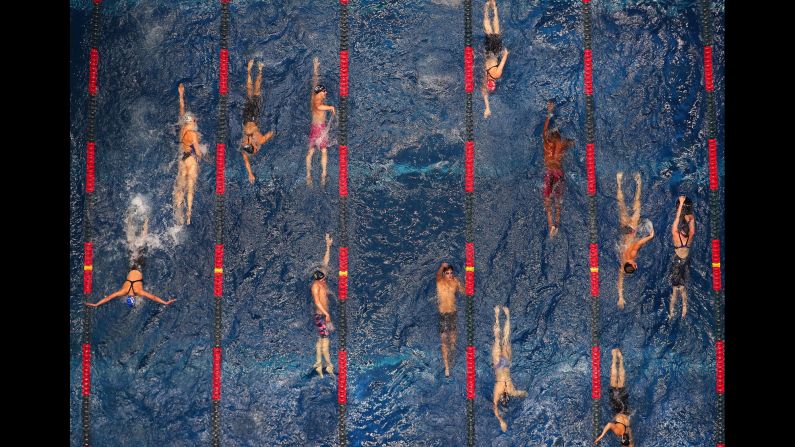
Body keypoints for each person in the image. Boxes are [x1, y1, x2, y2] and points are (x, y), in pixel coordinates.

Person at [86, 217, 176, 308]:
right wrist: (96, 304)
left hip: (139, 266)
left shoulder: (138, 291)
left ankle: (146, 222)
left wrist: (165, 302)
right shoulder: (123, 291)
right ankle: (129, 221)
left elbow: (153, 297)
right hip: (131, 266)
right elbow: (109, 297)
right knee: (131, 245)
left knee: (142, 243)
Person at [616, 172, 654, 309]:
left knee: (637, 207)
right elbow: (620, 279)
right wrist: (620, 296)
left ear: (631, 264)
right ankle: (619, 181)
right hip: (624, 232)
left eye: (634, 265)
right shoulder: (623, 264)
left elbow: (638, 243)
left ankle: (638, 183)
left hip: (631, 230)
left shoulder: (631, 256)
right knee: (622, 205)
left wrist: (650, 236)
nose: (635, 265)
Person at [492, 305, 527, 432]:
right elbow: (522, 393)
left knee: (497, 339)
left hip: (498, 364)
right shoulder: (512, 391)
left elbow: (494, 406)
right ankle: (507, 315)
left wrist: (501, 420)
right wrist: (526, 395)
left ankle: (496, 315)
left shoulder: (498, 391)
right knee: (506, 339)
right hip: (505, 364)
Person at [173, 83, 205, 226]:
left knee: (180, 187)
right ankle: (189, 214)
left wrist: (181, 95)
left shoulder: (182, 128)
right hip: (191, 160)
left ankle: (178, 212)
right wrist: (202, 154)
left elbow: (181, 109)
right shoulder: (193, 134)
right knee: (190, 187)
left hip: (182, 159)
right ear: (193, 121)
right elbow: (198, 151)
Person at [542, 101, 574, 238]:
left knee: (547, 199)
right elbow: (573, 142)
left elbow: (544, 131)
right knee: (558, 199)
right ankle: (558, 222)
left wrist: (549, 113)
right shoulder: (563, 143)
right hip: (559, 172)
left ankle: (551, 226)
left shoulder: (547, 143)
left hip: (550, 172)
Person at [240, 59, 275, 184]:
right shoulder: (244, 146)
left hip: (254, 117)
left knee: (256, 92)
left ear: (253, 146)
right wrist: (250, 174)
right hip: (246, 118)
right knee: (249, 94)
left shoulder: (260, 141)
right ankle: (249, 70)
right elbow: (246, 161)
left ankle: (260, 69)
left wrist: (272, 134)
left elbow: (270, 133)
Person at [595, 348, 634, 446]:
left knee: (621, 382)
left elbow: (631, 444)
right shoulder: (618, 433)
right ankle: (614, 356)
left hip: (624, 407)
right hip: (617, 406)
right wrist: (601, 436)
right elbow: (609, 424)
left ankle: (620, 358)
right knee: (613, 380)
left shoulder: (628, 429)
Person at [307, 57, 336, 187]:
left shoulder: (314, 96)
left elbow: (315, 82)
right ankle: (323, 173)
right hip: (320, 129)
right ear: (320, 93)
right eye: (324, 91)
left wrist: (315, 68)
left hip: (314, 128)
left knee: (311, 151)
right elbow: (318, 107)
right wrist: (330, 108)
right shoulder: (318, 103)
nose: (326, 93)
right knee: (324, 151)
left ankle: (308, 174)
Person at [311, 233, 335, 377]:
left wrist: (328, 246)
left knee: (322, 339)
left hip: (324, 315)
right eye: (323, 279)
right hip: (320, 316)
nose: (325, 280)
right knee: (325, 340)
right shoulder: (315, 286)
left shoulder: (321, 279)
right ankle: (329, 366)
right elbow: (317, 302)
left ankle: (319, 363)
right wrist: (326, 314)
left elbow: (325, 262)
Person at [481, 0, 509, 118]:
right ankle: (487, 8)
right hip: (488, 51)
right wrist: (487, 108)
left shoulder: (497, 74)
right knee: (488, 31)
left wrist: (506, 53)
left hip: (495, 51)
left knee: (496, 32)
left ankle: (495, 9)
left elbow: (505, 57)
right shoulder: (485, 77)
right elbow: (484, 94)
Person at [436, 262, 464, 377]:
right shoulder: (440, 282)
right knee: (443, 340)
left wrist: (467, 286)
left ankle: (452, 355)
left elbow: (463, 291)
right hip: (443, 314)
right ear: (443, 274)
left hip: (453, 313)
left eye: (451, 273)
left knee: (453, 341)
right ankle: (447, 367)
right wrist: (442, 266)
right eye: (447, 273)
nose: (450, 275)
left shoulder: (455, 282)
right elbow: (437, 275)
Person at [669, 196, 695, 319]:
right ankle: (684, 309)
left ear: (680, 230)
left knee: (675, 289)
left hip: (677, 262)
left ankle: (671, 312)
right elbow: (692, 226)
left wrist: (681, 204)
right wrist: (690, 217)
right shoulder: (691, 237)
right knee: (683, 287)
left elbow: (675, 219)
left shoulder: (675, 234)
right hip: (686, 261)